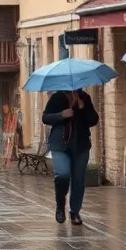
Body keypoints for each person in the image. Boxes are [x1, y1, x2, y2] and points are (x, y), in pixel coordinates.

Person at [43, 88, 99, 225]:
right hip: (60, 144)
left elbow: (93, 120)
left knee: (78, 179)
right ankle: (60, 206)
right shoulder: (57, 97)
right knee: (62, 174)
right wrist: (61, 115)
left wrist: (82, 106)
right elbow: (45, 118)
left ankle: (75, 212)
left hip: (80, 145)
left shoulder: (84, 97)